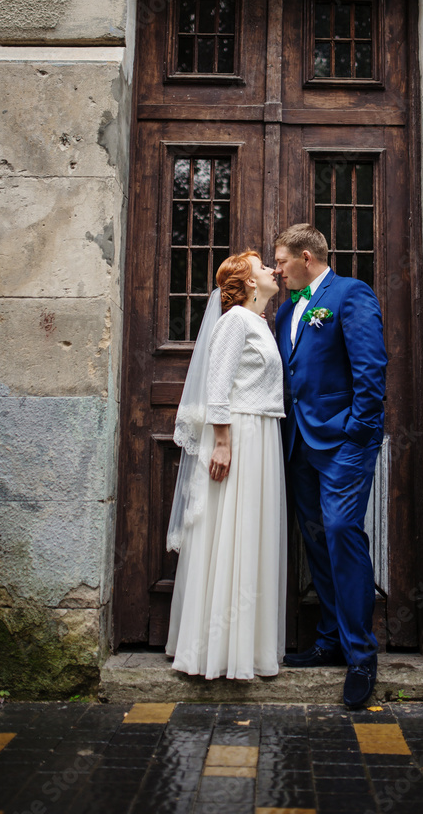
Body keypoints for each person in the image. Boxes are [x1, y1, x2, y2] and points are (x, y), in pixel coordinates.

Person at [274, 224, 387, 709]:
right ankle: (328, 639)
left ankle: (362, 654)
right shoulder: (285, 311)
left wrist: (358, 431)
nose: (276, 270)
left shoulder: (350, 295)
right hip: (298, 442)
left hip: (343, 441)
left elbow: (371, 366)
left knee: (342, 532)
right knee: (316, 540)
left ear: (305, 256)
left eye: (281, 261)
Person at [165, 251, 287, 680]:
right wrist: (221, 441)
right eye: (263, 267)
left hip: (262, 434)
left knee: (251, 533)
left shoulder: (261, 323)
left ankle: (246, 645)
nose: (274, 270)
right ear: (251, 283)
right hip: (240, 435)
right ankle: (214, 650)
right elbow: (217, 383)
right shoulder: (235, 320)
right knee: (231, 531)